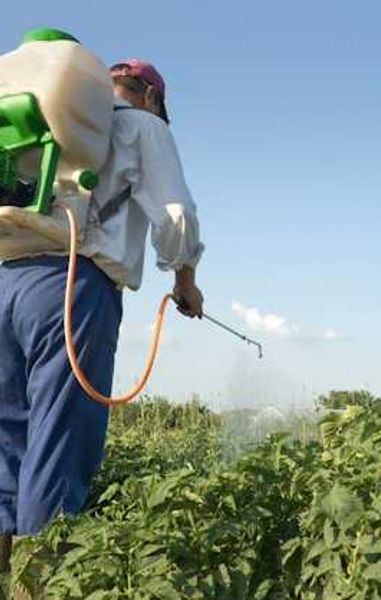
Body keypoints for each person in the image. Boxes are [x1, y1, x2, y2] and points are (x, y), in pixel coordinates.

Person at [0, 56, 204, 569]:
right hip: (70, 287)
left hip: (6, 280)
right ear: (152, 97)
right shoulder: (142, 125)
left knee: (6, 438)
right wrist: (185, 281)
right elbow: (174, 214)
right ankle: (41, 584)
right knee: (60, 440)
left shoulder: (51, 121)